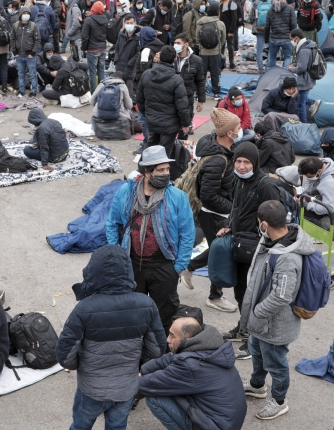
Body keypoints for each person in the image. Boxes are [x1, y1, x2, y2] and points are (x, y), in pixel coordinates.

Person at [49, 244, 167, 430]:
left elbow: (65, 355)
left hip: (91, 389)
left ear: (93, 272)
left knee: (80, 429)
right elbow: (157, 350)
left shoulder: (84, 309)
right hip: (126, 389)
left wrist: (80, 364)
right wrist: (135, 364)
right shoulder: (146, 304)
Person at [106, 145, 196, 334]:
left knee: (162, 318)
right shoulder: (126, 192)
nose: (166, 174)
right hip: (132, 266)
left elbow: (187, 233)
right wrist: (117, 256)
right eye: (160, 170)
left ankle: (159, 357)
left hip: (164, 267)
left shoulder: (177, 197)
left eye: (167, 169)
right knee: (132, 315)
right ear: (147, 171)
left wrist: (178, 267)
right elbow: (112, 223)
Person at [239, 201, 314, 419]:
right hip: (262, 323)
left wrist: (256, 314)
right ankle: (256, 385)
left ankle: (279, 400)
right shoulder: (272, 239)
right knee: (257, 352)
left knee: (275, 363)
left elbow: (281, 296)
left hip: (274, 325)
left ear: (263, 224)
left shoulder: (287, 257)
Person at [138, 317, 247, 430]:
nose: (167, 339)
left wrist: (123, 386)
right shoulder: (208, 345)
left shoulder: (189, 365)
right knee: (172, 388)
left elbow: (151, 384)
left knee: (155, 398)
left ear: (187, 339)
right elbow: (169, 358)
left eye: (172, 335)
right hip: (227, 424)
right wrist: (143, 371)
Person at [215, 143, 283, 359]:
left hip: (258, 249)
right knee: (241, 291)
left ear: (255, 163)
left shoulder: (265, 185)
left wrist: (267, 244)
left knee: (256, 296)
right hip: (240, 244)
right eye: (238, 161)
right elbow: (236, 209)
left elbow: (276, 218)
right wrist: (229, 224)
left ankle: (253, 341)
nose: (242, 166)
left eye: (247, 162)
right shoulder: (238, 180)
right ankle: (244, 329)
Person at [180, 109, 238, 313]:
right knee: (221, 252)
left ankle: (189, 267)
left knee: (217, 249)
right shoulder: (218, 160)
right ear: (229, 133)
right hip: (213, 213)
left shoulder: (221, 151)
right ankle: (215, 296)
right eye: (237, 127)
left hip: (214, 212)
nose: (240, 130)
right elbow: (208, 195)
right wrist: (231, 209)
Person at [137, 46, 191, 158]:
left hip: (152, 120)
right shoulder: (176, 80)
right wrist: (185, 124)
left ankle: (146, 171)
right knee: (164, 154)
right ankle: (159, 174)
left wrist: (147, 114)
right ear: (174, 59)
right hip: (169, 124)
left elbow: (140, 99)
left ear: (159, 57)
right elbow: (182, 106)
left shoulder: (146, 74)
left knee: (151, 149)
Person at [174, 32, 205, 140]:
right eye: (175, 43)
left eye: (178, 43)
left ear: (186, 45)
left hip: (187, 98)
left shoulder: (196, 60)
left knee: (185, 128)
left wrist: (201, 100)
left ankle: (181, 150)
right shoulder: (172, 58)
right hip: (172, 98)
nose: (175, 45)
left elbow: (200, 81)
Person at [288, 28, 321, 124]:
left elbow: (302, 68)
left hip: (305, 79)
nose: (291, 41)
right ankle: (313, 102)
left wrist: (291, 69)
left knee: (301, 104)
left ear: (296, 38)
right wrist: (295, 64)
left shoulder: (303, 50)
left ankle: (304, 124)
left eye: (291, 39)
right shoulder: (307, 45)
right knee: (301, 98)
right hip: (308, 78)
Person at [196, 1, 225, 101]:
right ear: (217, 12)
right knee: (215, 73)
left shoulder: (200, 22)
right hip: (215, 52)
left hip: (203, 52)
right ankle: (216, 93)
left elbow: (197, 39)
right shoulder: (220, 24)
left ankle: (199, 93)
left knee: (201, 73)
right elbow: (223, 39)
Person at [90, 71, 133, 135]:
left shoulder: (102, 84)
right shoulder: (123, 86)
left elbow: (91, 101)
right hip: (118, 116)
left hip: (99, 115)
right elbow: (129, 106)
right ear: (122, 79)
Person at [11, 6, 41, 98]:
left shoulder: (33, 26)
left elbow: (37, 40)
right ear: (20, 14)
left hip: (30, 56)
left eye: (28, 14)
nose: (26, 15)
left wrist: (32, 53)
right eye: (24, 13)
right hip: (19, 55)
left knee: (32, 74)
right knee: (21, 74)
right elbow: (12, 39)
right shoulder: (15, 26)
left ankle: (33, 91)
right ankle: (21, 91)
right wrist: (14, 51)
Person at [298, 157, 334, 230]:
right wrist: (305, 193)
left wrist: (307, 205)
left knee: (299, 213)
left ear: (319, 171)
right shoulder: (318, 163)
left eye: (310, 176)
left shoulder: (328, 183)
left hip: (329, 208)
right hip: (319, 198)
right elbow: (309, 180)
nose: (308, 178)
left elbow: (328, 208)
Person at [80, 0, 106, 92]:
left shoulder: (88, 20)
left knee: (92, 72)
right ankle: (102, 90)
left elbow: (84, 36)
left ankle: (94, 91)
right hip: (102, 48)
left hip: (92, 49)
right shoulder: (105, 18)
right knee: (101, 70)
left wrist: (84, 48)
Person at [113, 15, 138, 100]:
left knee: (129, 92)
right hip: (119, 66)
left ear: (135, 23)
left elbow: (138, 53)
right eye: (127, 23)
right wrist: (116, 59)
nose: (129, 25)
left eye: (131, 23)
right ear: (124, 23)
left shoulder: (137, 37)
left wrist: (130, 63)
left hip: (130, 68)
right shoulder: (121, 35)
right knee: (118, 91)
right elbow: (116, 48)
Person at [264, 0, 295, 68]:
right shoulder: (290, 9)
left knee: (272, 57)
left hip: (274, 38)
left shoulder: (270, 10)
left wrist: (266, 40)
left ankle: (271, 73)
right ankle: (285, 74)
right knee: (287, 57)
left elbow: (267, 26)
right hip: (287, 37)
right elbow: (293, 24)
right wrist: (293, 36)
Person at [249, 0, 269, 73]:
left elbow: (251, 16)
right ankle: (268, 68)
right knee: (270, 48)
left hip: (258, 28)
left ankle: (260, 68)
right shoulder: (272, 2)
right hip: (269, 28)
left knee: (259, 49)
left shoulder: (256, 2)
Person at [218, 0, 238, 69]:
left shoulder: (231, 3)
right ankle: (221, 63)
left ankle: (231, 63)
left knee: (230, 47)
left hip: (229, 30)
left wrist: (231, 31)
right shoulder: (221, 3)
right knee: (221, 47)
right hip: (222, 30)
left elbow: (234, 18)